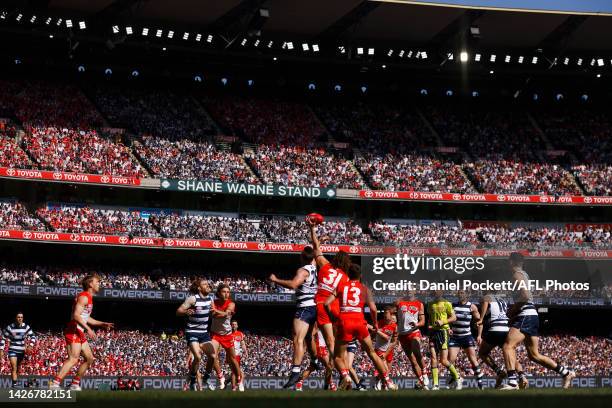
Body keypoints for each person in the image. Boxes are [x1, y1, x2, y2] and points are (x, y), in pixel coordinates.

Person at [501, 253, 575, 390]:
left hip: (525, 314)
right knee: (534, 355)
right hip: (531, 315)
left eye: (507, 262)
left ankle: (512, 381)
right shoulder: (524, 274)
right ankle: (566, 373)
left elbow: (526, 295)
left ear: (511, 262)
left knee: (508, 346)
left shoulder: (517, 275)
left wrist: (513, 311)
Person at [325, 264, 397, 391]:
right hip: (359, 322)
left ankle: (346, 376)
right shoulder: (364, 288)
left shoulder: (341, 286)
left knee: (337, 356)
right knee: (372, 353)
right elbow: (373, 309)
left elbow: (326, 304)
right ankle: (388, 381)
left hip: (344, 321)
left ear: (348, 274)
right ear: (360, 276)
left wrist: (333, 318)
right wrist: (375, 323)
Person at [50, 274, 114, 390]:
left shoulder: (89, 298)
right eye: (97, 282)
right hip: (73, 330)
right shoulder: (84, 297)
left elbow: (85, 318)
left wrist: (101, 323)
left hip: (79, 331)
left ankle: (75, 384)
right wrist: (89, 329)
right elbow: (76, 316)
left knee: (89, 358)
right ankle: (54, 384)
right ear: (90, 284)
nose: (99, 284)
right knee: (73, 359)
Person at [268, 247, 318, 388]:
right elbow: (314, 255)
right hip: (314, 306)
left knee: (297, 339)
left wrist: (275, 279)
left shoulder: (302, 271)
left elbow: (294, 284)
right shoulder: (314, 266)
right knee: (308, 337)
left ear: (302, 258)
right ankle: (315, 360)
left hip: (305, 307)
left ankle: (295, 372)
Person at [307, 218, 352, 370]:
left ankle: (343, 372)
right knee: (340, 342)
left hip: (322, 305)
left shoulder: (325, 265)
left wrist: (313, 229)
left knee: (330, 342)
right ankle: (343, 369)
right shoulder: (346, 278)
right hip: (337, 309)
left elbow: (315, 248)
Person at [476, 292, 528, 389]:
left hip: (495, 329)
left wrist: (481, 318)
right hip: (505, 329)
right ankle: (522, 376)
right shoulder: (502, 300)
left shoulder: (487, 297)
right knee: (511, 356)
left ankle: (499, 371)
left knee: (482, 353)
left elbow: (486, 301)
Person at [176, 277, 218, 391]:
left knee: (213, 356)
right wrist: (186, 311)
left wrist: (214, 313)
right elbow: (178, 311)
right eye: (205, 284)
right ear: (199, 288)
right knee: (198, 357)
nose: (208, 286)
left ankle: (207, 377)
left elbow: (213, 313)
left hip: (204, 333)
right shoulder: (192, 299)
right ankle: (193, 379)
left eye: (208, 284)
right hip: (192, 331)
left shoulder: (211, 299)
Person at [211, 284, 244, 391]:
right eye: (224, 291)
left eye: (228, 292)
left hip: (227, 334)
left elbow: (226, 314)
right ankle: (221, 377)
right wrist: (221, 313)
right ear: (219, 293)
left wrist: (218, 312)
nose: (226, 294)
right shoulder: (213, 302)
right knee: (212, 356)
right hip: (215, 334)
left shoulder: (231, 303)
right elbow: (212, 315)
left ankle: (239, 380)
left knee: (233, 359)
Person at [448, 291, 483, 389]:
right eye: (459, 293)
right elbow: (447, 318)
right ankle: (456, 378)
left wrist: (479, 335)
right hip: (455, 337)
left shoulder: (472, 307)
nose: (460, 295)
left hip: (466, 336)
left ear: (467, 295)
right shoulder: (452, 305)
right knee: (450, 360)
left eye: (463, 293)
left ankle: (480, 383)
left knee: (473, 360)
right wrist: (448, 328)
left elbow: (479, 322)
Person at [427, 290, 462, 390]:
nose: (436, 291)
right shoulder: (430, 304)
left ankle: (458, 378)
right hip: (433, 333)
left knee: (443, 360)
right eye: (434, 290)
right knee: (433, 358)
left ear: (441, 292)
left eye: (438, 290)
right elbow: (430, 319)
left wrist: (443, 321)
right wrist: (430, 325)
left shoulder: (447, 303)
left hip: (443, 332)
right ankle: (436, 385)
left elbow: (454, 317)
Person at [395, 291, 429, 389]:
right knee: (412, 360)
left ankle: (425, 373)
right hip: (402, 334)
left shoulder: (419, 304)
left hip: (414, 332)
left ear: (414, 292)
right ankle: (422, 382)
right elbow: (391, 310)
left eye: (411, 290)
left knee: (417, 352)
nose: (409, 292)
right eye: (407, 290)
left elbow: (423, 321)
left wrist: (417, 324)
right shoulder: (400, 302)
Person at [295, 324, 336, 391]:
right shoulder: (318, 323)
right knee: (329, 366)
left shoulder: (322, 322)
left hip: (320, 348)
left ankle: (299, 384)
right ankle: (332, 385)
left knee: (312, 367)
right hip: (320, 348)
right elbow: (311, 335)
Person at [1, 312, 36, 388]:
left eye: (21, 317)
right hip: (12, 349)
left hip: (22, 350)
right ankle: (14, 384)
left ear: (22, 318)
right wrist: (1, 349)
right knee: (14, 366)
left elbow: (33, 336)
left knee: (17, 368)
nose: (20, 318)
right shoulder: (10, 327)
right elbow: (3, 338)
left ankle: (15, 382)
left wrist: (31, 345)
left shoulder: (26, 327)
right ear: (15, 318)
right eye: (18, 317)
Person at [371, 305, 398, 390]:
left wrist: (387, 352)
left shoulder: (395, 326)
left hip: (389, 350)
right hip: (379, 349)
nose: (385, 315)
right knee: (384, 369)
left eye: (387, 313)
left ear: (391, 314)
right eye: (384, 313)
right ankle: (387, 383)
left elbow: (394, 341)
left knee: (387, 370)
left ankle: (382, 384)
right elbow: (373, 334)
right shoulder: (379, 323)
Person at [230, 320, 248, 390]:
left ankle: (232, 385)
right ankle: (236, 386)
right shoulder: (228, 334)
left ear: (237, 326)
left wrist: (245, 352)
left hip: (238, 355)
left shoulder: (240, 334)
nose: (234, 326)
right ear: (231, 326)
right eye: (232, 324)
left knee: (235, 372)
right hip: (231, 355)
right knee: (236, 372)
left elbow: (242, 344)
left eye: (235, 324)